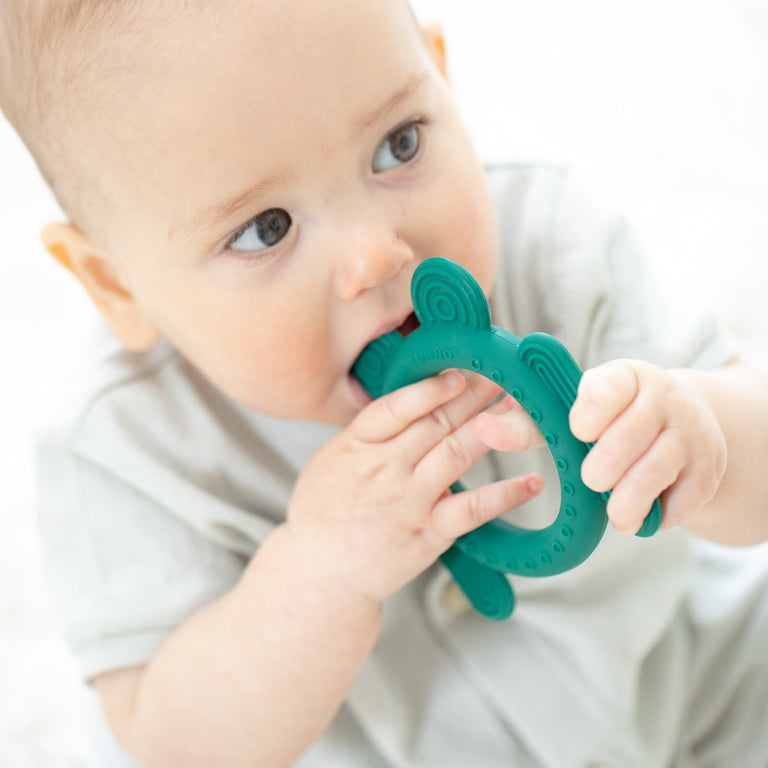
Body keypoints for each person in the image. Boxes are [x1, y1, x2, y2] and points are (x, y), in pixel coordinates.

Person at [2, 1, 768, 766]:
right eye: (266, 228)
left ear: (440, 73)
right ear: (117, 287)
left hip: (685, 694)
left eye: (398, 145)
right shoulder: (125, 448)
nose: (376, 254)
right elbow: (176, 745)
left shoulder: (557, 249)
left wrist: (708, 438)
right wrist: (321, 573)